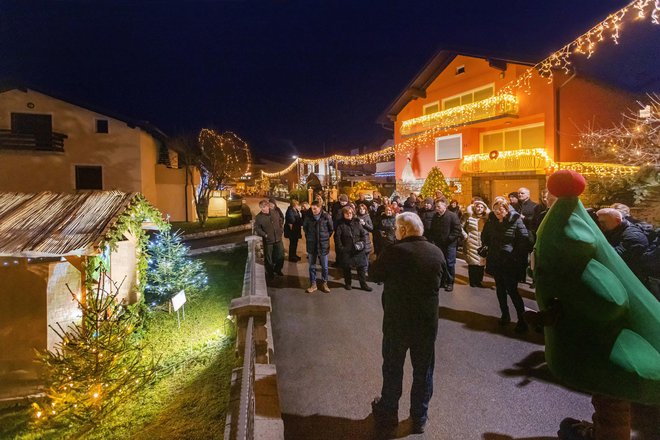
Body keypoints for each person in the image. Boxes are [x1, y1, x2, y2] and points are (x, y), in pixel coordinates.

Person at [370, 212, 447, 435]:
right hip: (426, 323)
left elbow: (374, 274)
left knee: (393, 368)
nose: (395, 232)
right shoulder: (436, 251)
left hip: (397, 322)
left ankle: (388, 413)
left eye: (396, 229)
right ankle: (419, 417)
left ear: (403, 231)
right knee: (423, 371)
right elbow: (446, 279)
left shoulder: (394, 252)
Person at [481, 197, 529, 333]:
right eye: (495, 209)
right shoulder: (491, 221)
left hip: (510, 261)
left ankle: (522, 320)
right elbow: (485, 237)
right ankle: (505, 315)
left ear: (507, 209)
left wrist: (515, 256)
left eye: (500, 209)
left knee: (512, 290)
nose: (497, 211)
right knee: (500, 289)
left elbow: (523, 240)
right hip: (496, 259)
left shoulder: (516, 220)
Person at [596, 208, 649, 283]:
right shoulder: (613, 230)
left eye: (603, 222)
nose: (600, 225)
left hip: (634, 280)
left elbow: (615, 258)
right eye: (599, 222)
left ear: (617, 221)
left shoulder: (633, 237)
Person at [334, 206, 372, 291]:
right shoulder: (340, 225)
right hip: (347, 250)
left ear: (353, 213)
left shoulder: (357, 222)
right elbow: (337, 238)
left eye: (350, 213)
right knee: (347, 268)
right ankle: (348, 283)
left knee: (361, 268)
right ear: (343, 214)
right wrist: (341, 248)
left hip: (358, 250)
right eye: (346, 213)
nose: (349, 214)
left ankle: (363, 284)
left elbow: (363, 234)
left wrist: (362, 244)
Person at [428, 200, 462, 292]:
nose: (436, 208)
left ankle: (450, 282)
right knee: (441, 263)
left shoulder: (452, 216)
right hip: (439, 244)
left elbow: (457, 230)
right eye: (436, 207)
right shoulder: (435, 216)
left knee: (450, 263)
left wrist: (449, 239)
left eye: (439, 207)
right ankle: (442, 281)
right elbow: (433, 229)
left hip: (450, 244)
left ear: (444, 207)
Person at [302, 201, 333, 293]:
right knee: (312, 266)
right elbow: (305, 229)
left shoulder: (326, 216)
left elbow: (331, 229)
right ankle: (313, 284)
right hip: (312, 244)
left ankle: (324, 283)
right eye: (312, 208)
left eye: (315, 208)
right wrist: (310, 238)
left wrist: (325, 238)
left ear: (320, 208)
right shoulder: (308, 217)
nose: (313, 210)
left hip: (323, 245)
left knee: (324, 266)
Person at [254, 199, 285, 278]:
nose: (262, 209)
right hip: (268, 241)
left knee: (281, 255)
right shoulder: (259, 217)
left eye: (264, 207)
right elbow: (257, 228)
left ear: (268, 206)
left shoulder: (275, 212)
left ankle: (278, 269)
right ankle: (270, 273)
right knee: (268, 258)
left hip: (278, 238)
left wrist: (281, 230)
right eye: (261, 207)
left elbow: (280, 220)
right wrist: (265, 235)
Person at [462, 199, 489, 287]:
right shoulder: (468, 216)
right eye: (478, 207)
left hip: (482, 242)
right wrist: (465, 236)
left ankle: (479, 281)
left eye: (481, 207)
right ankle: (473, 281)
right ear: (475, 207)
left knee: (481, 263)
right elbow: (460, 226)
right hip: (471, 241)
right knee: (472, 262)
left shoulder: (486, 218)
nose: (479, 209)